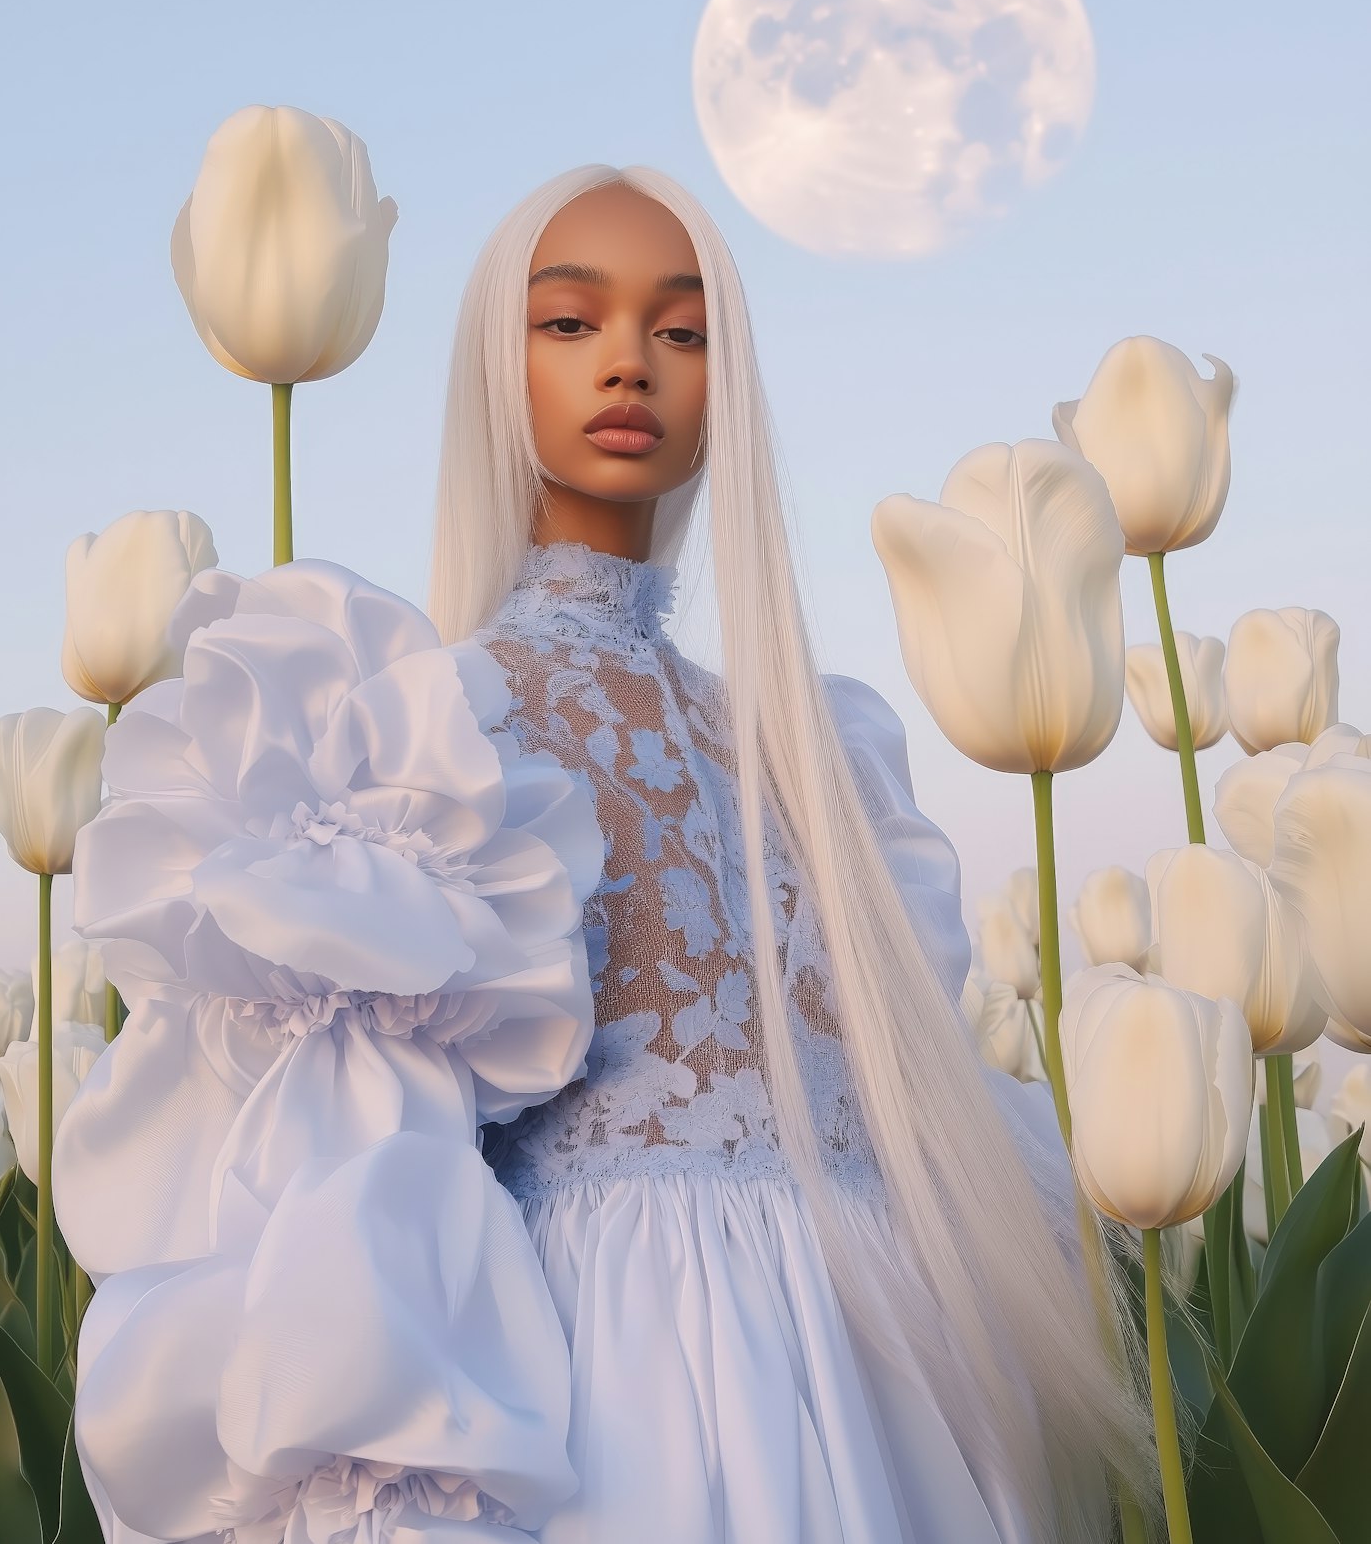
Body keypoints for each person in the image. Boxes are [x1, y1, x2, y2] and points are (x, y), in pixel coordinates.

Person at [424, 165, 1154, 1543]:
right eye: (569, 324)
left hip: (877, 1343)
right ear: (491, 365)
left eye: (684, 332)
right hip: (608, 1373)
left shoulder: (820, 749)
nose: (630, 364)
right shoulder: (447, 720)